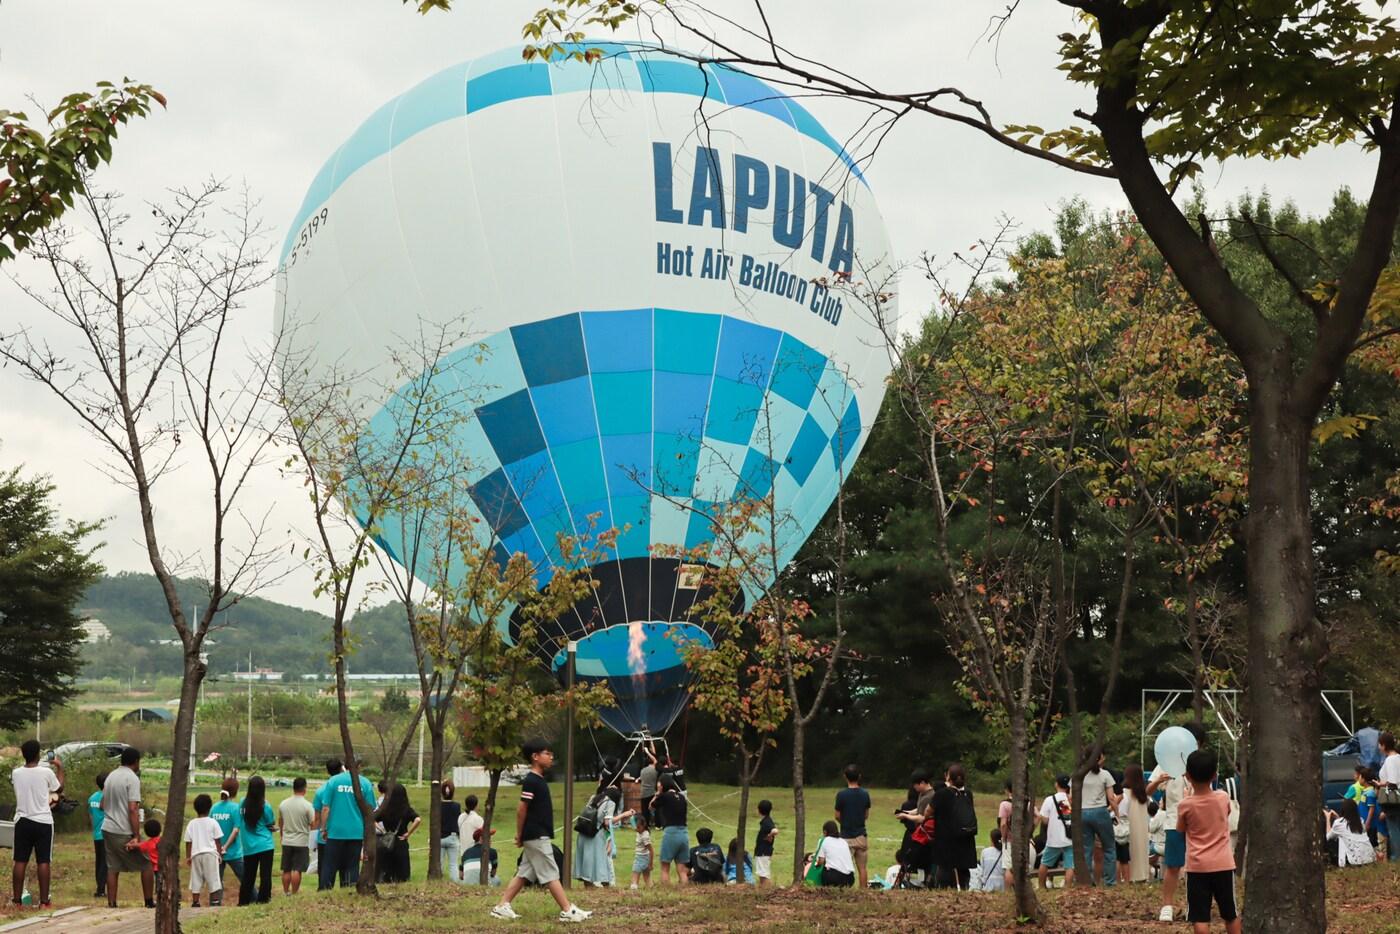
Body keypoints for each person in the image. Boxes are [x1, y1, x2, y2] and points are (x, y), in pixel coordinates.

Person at [489, 738, 592, 923]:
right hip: (536, 835)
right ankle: (567, 910)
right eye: (547, 753)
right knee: (551, 873)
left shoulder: (538, 780)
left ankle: (501, 906)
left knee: (524, 873)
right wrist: (520, 834)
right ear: (535, 757)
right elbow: (522, 809)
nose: (551, 757)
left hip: (537, 834)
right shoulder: (531, 781)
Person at [1176, 748, 1241, 934]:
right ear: (1214, 775)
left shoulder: (1185, 805)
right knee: (1231, 912)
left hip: (1197, 867)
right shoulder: (1223, 798)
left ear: (1187, 776)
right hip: (1223, 864)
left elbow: (1181, 829)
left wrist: (1188, 797)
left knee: (1200, 916)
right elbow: (1226, 813)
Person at [1151, 721, 1208, 921]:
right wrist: (1158, 781)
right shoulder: (1166, 762)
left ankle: (1195, 906)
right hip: (1174, 821)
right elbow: (1148, 791)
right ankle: (1167, 906)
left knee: (1197, 866)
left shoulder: (1202, 763)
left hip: (1199, 822)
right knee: (1173, 865)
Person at [10, 739, 63, 910]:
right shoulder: (46, 772)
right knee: (43, 861)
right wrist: (60, 768)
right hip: (43, 821)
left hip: (22, 820)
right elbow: (59, 789)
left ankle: (17, 901)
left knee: (20, 860)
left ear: (24, 755)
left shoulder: (16, 773)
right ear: (38, 754)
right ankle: (44, 902)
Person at [102, 746, 153, 909]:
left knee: (112, 866)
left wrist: (114, 810)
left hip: (107, 828)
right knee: (146, 864)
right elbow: (133, 808)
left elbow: (103, 804)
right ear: (136, 762)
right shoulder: (132, 778)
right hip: (123, 830)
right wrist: (136, 835)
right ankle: (149, 901)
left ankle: (112, 903)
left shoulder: (111, 776)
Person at [319, 760, 377, 890]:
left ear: (344, 766)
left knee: (329, 864)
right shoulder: (365, 783)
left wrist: (323, 828)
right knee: (352, 864)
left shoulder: (334, 781)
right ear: (359, 767)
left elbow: (326, 808)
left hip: (335, 831)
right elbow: (370, 809)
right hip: (356, 831)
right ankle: (349, 888)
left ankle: (325, 889)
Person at [932, 762, 978, 889]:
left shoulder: (942, 794)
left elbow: (928, 812)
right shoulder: (968, 794)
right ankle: (964, 887)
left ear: (948, 778)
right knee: (963, 868)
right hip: (965, 835)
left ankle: (944, 889)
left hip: (947, 837)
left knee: (945, 867)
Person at [1079, 750, 1120, 886]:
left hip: (1083, 812)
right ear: (1099, 759)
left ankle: (1086, 881)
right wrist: (1117, 813)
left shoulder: (1079, 774)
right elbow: (1111, 798)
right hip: (1100, 812)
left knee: (1086, 849)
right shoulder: (1105, 774)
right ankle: (1110, 881)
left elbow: (1072, 797)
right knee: (1109, 847)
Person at [238, 775, 277, 905]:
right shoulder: (265, 805)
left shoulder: (242, 803)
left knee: (248, 876)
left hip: (249, 846)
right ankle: (263, 900)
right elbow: (270, 822)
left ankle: (243, 901)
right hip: (265, 845)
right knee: (265, 875)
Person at [374, 781, 421, 884]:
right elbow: (418, 820)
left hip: (387, 842)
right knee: (402, 875)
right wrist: (408, 833)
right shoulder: (406, 809)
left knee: (387, 872)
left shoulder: (385, 809)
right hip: (401, 841)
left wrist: (382, 830)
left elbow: (371, 819)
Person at [834, 763, 872, 889]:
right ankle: (863, 891)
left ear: (845, 777)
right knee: (862, 868)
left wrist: (844, 823)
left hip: (845, 837)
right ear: (859, 776)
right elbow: (866, 814)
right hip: (861, 835)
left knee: (843, 867)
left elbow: (837, 815)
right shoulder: (865, 794)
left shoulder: (841, 795)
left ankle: (845, 889)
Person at [184, 793, 224, 908]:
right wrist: (220, 854)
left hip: (196, 854)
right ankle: (215, 901)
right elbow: (217, 840)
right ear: (209, 807)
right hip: (210, 854)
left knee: (196, 877)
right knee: (213, 878)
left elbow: (188, 841)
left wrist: (188, 856)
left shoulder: (192, 823)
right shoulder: (213, 822)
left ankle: (195, 902)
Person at [1037, 775, 1075, 889]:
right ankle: (1067, 887)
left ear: (1056, 784)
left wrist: (1038, 814)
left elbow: (1045, 820)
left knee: (1045, 863)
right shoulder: (1069, 799)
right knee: (1070, 866)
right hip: (1069, 837)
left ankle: (1042, 887)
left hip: (1054, 838)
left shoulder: (1050, 800)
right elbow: (1068, 816)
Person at [278, 776, 315, 894]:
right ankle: (294, 892)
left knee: (286, 869)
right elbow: (312, 823)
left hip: (287, 840)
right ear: (304, 788)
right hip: (301, 841)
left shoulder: (283, 804)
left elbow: (280, 821)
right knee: (297, 869)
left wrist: (282, 836)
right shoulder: (307, 805)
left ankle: (285, 891)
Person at [654, 773, 690, 884]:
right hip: (684, 833)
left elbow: (651, 806)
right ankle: (685, 891)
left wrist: (658, 793)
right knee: (682, 869)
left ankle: (666, 892)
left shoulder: (664, 796)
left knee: (665, 867)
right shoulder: (682, 797)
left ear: (662, 785)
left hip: (671, 832)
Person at [210, 778, 244, 897]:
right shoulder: (236, 808)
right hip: (234, 852)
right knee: (246, 880)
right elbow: (236, 830)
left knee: (216, 883)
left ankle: (215, 905)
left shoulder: (214, 808)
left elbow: (210, 828)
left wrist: (219, 847)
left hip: (216, 851)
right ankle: (256, 901)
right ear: (235, 791)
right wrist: (225, 847)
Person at [310, 759, 340, 890]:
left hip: (324, 836)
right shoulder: (348, 788)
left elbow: (316, 818)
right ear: (341, 769)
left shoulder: (321, 790)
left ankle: (324, 889)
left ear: (327, 771)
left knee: (324, 868)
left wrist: (314, 837)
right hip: (341, 834)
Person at [1118, 763, 1150, 883]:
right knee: (1142, 851)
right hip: (1142, 830)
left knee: (1128, 853)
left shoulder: (1124, 793)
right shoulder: (1143, 795)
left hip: (1128, 829)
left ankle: (1127, 877)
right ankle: (1142, 875)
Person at [1325, 798, 1376, 868]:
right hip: (1370, 858)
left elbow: (1328, 837)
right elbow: (1347, 829)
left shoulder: (1339, 824)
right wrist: (1337, 817)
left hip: (1356, 861)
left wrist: (1327, 818)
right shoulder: (1360, 821)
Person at [1379, 730, 1400, 862]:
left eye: (1379, 744)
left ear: (1384, 745)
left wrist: (1380, 784)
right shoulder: (1398, 757)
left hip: (1393, 800)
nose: (1378, 747)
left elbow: (1393, 782)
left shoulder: (1391, 760)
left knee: (1394, 829)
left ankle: (1396, 857)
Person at [814, 820, 855, 887]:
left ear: (825, 832)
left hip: (834, 878)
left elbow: (821, 861)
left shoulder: (824, 841)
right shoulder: (843, 841)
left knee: (824, 869)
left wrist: (816, 865)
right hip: (850, 878)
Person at [88, 771, 108, 899]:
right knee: (105, 863)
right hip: (106, 834)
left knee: (99, 861)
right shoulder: (108, 798)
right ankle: (101, 889)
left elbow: (91, 817)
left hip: (96, 834)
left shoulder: (91, 798)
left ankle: (99, 887)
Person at [440, 780, 463, 882]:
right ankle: (455, 883)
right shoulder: (457, 806)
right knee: (453, 864)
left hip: (439, 838)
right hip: (453, 837)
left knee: (439, 863)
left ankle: (437, 883)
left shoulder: (438, 805)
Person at [753, 799, 778, 888]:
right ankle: (764, 890)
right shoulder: (765, 821)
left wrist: (769, 835)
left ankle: (769, 891)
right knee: (762, 874)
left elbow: (775, 830)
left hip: (763, 852)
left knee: (764, 875)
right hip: (762, 851)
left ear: (759, 810)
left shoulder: (767, 822)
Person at [137, 819, 162, 893]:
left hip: (154, 867)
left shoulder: (147, 844)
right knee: (163, 880)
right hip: (163, 865)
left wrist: (130, 845)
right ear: (160, 830)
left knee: (156, 880)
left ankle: (158, 892)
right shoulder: (163, 840)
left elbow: (138, 846)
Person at [629, 816, 653, 889]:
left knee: (635, 875)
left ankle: (634, 891)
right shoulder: (640, 832)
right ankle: (651, 889)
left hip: (641, 858)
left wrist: (650, 863)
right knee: (647, 877)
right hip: (644, 857)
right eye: (635, 827)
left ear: (644, 825)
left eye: (638, 827)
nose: (636, 829)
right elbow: (632, 818)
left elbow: (651, 850)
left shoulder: (644, 836)